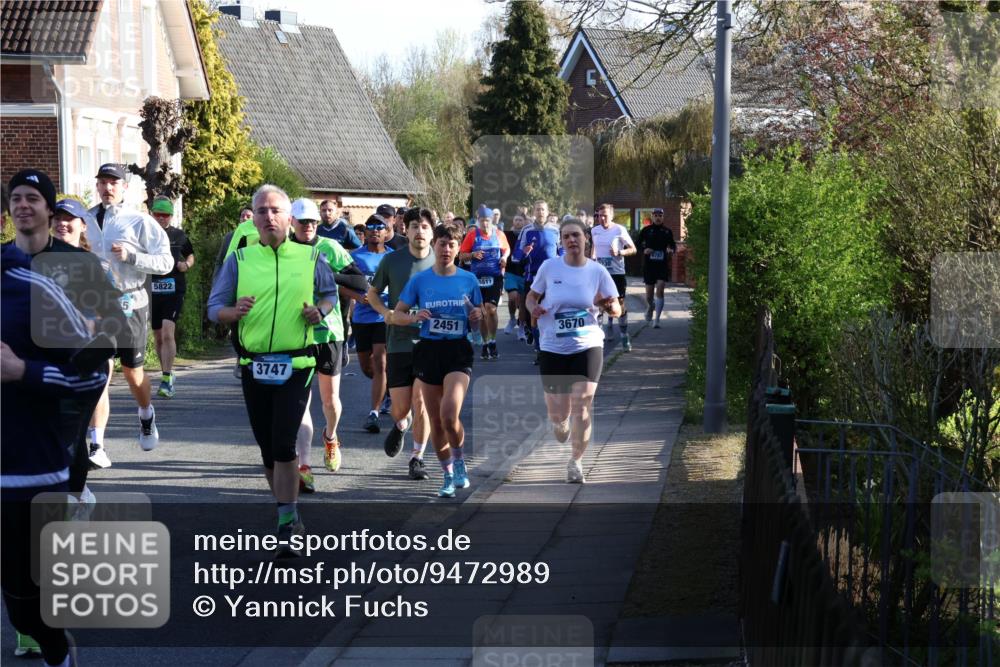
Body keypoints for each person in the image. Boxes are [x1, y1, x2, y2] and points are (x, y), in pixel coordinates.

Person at [207, 184, 338, 557]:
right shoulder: (241, 260)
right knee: (267, 447)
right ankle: (287, 510)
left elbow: (329, 294)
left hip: (297, 363)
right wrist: (231, 313)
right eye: (261, 211)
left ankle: (286, 522)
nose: (268, 217)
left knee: (283, 442)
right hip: (253, 365)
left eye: (275, 210)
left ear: (289, 218)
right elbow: (214, 306)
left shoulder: (311, 258)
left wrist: (321, 311)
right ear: (254, 218)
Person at [2, 241, 108, 667]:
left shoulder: (32, 288)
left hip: (25, 472)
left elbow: (91, 376)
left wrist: (22, 371)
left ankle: (57, 652)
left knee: (24, 607)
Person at [85, 163, 173, 465]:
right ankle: (97, 445)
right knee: (100, 372)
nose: (108, 188)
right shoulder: (85, 218)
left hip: (131, 303)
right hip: (97, 306)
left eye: (113, 183)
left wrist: (132, 256)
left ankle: (146, 413)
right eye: (103, 182)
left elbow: (166, 263)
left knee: (133, 373)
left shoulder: (139, 221)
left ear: (124, 188)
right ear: (97, 186)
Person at [525, 218, 620, 483]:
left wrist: (610, 307)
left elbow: (616, 306)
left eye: (576, 235)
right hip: (553, 345)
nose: (571, 240)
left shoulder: (597, 271)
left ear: (585, 238)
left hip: (587, 343)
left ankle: (576, 462)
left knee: (583, 406)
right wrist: (534, 307)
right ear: (561, 241)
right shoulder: (549, 267)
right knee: (559, 412)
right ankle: (560, 422)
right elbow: (532, 296)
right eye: (566, 236)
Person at [393, 224, 483, 497]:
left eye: (451, 245)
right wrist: (413, 318)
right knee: (435, 419)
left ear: (458, 249)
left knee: (449, 414)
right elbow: (397, 314)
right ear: (434, 246)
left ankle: (459, 462)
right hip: (428, 351)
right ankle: (446, 475)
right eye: (442, 244)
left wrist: (478, 317)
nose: (446, 249)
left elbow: (481, 321)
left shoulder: (469, 279)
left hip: (457, 351)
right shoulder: (420, 281)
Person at [288, 198, 369, 490]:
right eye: (302, 222)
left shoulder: (330, 247)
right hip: (295, 334)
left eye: (312, 222)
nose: (308, 226)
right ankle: (304, 465)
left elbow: (360, 283)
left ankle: (331, 437)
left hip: (329, 333)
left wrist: (325, 272)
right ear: (292, 223)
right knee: (300, 403)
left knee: (329, 401)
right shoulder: (282, 249)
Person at [366, 207, 435, 481]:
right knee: (400, 408)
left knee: (423, 401)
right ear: (405, 230)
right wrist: (386, 314)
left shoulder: (442, 262)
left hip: (430, 344)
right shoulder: (392, 261)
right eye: (415, 226)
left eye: (425, 226)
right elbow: (372, 295)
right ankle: (401, 423)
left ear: (432, 232)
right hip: (399, 343)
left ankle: (417, 457)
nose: (420, 231)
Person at [148, 196, 194, 399]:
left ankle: (166, 378)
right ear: (152, 214)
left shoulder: (178, 235)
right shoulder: (146, 235)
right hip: (152, 291)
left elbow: (191, 254)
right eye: (157, 214)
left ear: (171, 216)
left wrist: (187, 265)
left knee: (168, 332)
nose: (161, 219)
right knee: (158, 336)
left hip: (174, 290)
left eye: (165, 215)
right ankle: (166, 371)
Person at [351, 217, 393, 433]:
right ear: (365, 233)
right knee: (368, 368)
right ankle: (386, 389)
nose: (376, 232)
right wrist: (357, 298)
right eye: (371, 228)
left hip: (383, 317)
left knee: (380, 362)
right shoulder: (354, 256)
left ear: (387, 232)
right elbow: (338, 283)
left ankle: (373, 413)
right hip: (361, 317)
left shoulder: (393, 257)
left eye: (380, 228)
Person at [459, 204, 510, 360]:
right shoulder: (472, 235)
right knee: (481, 312)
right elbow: (461, 255)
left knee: (491, 309)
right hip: (477, 279)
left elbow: (506, 249)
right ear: (478, 221)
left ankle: (493, 339)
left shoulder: (499, 234)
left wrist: (504, 258)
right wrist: (473, 254)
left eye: (487, 220)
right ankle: (486, 343)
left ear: (492, 220)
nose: (485, 224)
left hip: (495, 277)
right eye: (482, 221)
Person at [511, 200, 559, 362]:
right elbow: (515, 256)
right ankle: (539, 349)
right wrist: (524, 253)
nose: (540, 212)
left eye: (543, 209)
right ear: (533, 212)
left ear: (547, 211)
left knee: (552, 311)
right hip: (533, 276)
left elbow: (562, 249)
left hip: (553, 276)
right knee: (536, 313)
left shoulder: (555, 230)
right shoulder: (527, 230)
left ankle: (553, 347)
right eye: (537, 209)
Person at [590, 203, 637, 352]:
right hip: (600, 273)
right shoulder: (594, 231)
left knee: (620, 305)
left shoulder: (619, 229)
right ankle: (598, 337)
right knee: (598, 304)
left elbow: (633, 249)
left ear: (612, 216)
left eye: (605, 216)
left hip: (617, 273)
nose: (602, 219)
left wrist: (620, 253)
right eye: (599, 216)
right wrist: (592, 259)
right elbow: (594, 248)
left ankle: (624, 335)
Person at [636, 207, 677, 328]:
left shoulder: (667, 231)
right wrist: (644, 250)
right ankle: (650, 306)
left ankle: (657, 319)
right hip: (649, 266)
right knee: (649, 295)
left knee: (660, 291)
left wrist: (671, 249)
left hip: (662, 265)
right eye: (656, 215)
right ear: (652, 217)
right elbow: (637, 244)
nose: (658, 217)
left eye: (660, 215)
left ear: (663, 217)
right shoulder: (646, 230)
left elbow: (673, 245)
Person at [502, 213, 528, 338]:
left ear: (524, 222)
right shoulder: (507, 235)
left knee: (522, 302)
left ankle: (521, 327)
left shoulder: (528, 235)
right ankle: (512, 319)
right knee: (512, 297)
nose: (518, 222)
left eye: (520, 220)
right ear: (513, 222)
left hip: (524, 272)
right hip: (510, 271)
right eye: (516, 220)